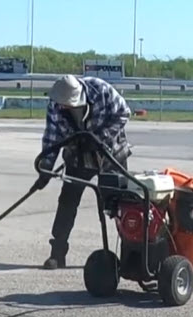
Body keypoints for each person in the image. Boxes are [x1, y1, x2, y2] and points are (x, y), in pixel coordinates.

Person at [34, 74, 132, 269]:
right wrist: (46, 168)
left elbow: (123, 113)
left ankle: (129, 255)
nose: (62, 107)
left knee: (120, 205)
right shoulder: (55, 105)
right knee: (67, 202)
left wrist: (98, 138)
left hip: (110, 154)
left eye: (67, 105)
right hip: (77, 156)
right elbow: (52, 137)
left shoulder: (102, 90)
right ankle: (57, 253)